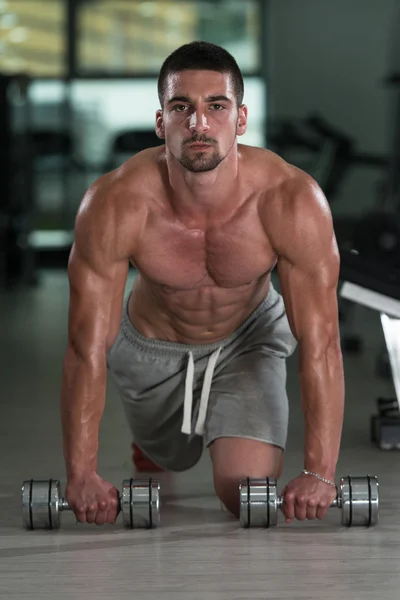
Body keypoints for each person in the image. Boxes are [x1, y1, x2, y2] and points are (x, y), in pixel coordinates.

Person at [61, 41, 344, 527]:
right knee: (167, 454)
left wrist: (320, 471)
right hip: (152, 346)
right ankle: (151, 444)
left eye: (216, 106)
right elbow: (85, 347)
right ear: (160, 121)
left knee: (246, 494)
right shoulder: (115, 203)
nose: (198, 123)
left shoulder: (290, 200)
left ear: (240, 119)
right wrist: (80, 474)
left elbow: (321, 343)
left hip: (247, 342)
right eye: (181, 107)